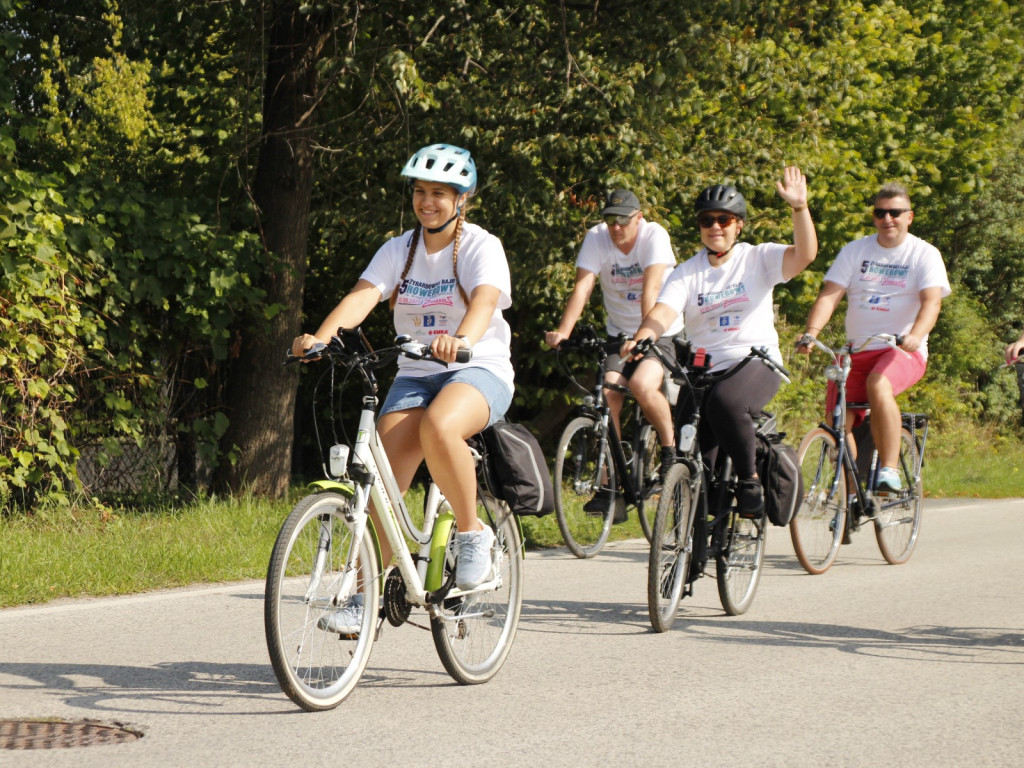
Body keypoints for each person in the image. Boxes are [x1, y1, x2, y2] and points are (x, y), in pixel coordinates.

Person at [292, 143, 514, 631]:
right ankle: (367, 593)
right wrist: (320, 338)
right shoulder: (400, 249)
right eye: (420, 191)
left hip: (480, 368)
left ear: (462, 198)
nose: (427, 201)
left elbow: (484, 301)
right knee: (379, 478)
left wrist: (461, 340)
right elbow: (363, 296)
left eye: (439, 193)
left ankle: (474, 535)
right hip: (416, 371)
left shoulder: (482, 246)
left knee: (440, 426)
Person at [622, 167, 818, 516]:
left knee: (726, 403)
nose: (715, 227)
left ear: (738, 225)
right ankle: (696, 546)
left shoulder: (757, 258)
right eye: (707, 220)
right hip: (705, 367)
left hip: (754, 361)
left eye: (724, 220)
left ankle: (749, 480)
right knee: (690, 442)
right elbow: (662, 313)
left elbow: (805, 256)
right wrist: (643, 338)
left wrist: (800, 209)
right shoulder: (687, 272)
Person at [797, 182, 950, 495]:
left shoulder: (924, 254)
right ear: (874, 217)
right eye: (881, 213)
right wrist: (811, 333)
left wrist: (915, 335)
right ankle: (851, 494)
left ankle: (889, 470)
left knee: (879, 384)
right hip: (857, 351)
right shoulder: (856, 251)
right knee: (837, 420)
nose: (887, 218)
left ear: (910, 216)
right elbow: (829, 295)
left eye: (895, 212)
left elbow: (931, 302)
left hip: (901, 350)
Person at [544, 189, 682, 515]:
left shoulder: (654, 236)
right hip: (618, 332)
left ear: (639, 218)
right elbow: (584, 286)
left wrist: (644, 336)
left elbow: (651, 289)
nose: (616, 228)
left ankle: (671, 452)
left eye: (623, 220)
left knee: (643, 385)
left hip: (658, 330)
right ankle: (611, 484)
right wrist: (563, 332)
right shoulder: (596, 238)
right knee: (607, 393)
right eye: (610, 220)